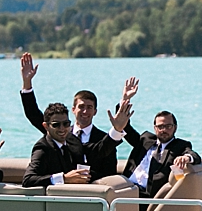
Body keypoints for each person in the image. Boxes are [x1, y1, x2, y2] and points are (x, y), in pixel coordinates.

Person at [18, 52, 138, 180]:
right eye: (81, 107)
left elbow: (108, 172)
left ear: (95, 111)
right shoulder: (59, 130)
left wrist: (119, 123)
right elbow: (34, 115)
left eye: (89, 108)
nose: (85, 112)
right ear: (73, 110)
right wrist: (27, 84)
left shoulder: (102, 139)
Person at [21, 99, 134, 188]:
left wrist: (117, 129)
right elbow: (28, 180)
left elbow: (99, 150)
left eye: (66, 124)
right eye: (56, 125)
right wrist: (63, 178)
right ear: (46, 126)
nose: (62, 129)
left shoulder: (71, 141)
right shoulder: (43, 148)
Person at [122, 110, 201, 198]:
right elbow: (126, 128)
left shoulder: (180, 145)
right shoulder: (145, 139)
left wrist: (185, 158)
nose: (164, 130)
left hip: (145, 194)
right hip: (126, 186)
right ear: (155, 128)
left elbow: (194, 155)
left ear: (175, 127)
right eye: (160, 127)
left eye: (168, 126)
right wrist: (124, 103)